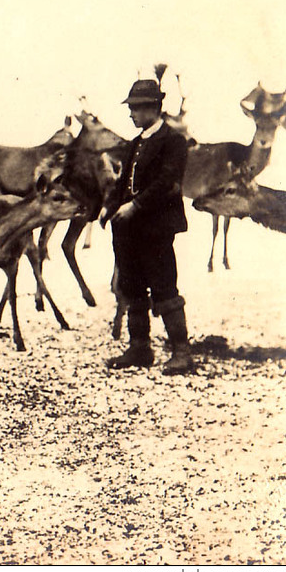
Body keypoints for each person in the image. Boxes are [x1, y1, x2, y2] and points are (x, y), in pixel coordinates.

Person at [100, 78, 194, 376]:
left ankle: (182, 353)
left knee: (165, 287)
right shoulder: (135, 144)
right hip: (128, 231)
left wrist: (135, 206)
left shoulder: (174, 142)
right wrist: (109, 206)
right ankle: (140, 348)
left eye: (136, 109)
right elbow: (121, 183)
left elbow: (167, 182)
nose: (131, 115)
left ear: (152, 107)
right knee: (132, 286)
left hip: (156, 229)